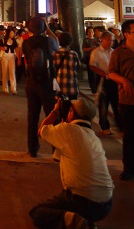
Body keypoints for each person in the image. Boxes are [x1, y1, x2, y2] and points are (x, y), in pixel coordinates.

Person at [29, 97, 114, 229]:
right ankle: (86, 222)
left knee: (38, 212)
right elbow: (59, 157)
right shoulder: (94, 138)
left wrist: (55, 112)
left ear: (71, 113)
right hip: (106, 204)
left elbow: (41, 131)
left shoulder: (68, 130)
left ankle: (77, 222)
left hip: (83, 200)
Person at [22, 16, 59, 158]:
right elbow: (57, 43)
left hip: (31, 82)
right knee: (52, 115)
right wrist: (48, 29)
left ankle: (32, 149)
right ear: (44, 28)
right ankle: (55, 150)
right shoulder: (49, 41)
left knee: (32, 116)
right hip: (46, 82)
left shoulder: (26, 43)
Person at [108, 19, 134, 180]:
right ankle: (129, 168)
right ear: (126, 34)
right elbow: (111, 72)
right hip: (128, 99)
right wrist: (124, 80)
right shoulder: (118, 53)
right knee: (130, 135)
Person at [90, 30, 122, 135]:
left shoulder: (113, 52)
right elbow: (92, 65)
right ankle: (105, 127)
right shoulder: (96, 52)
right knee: (103, 105)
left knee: (117, 104)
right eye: (109, 40)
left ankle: (120, 126)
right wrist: (103, 73)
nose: (111, 43)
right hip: (103, 80)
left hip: (114, 80)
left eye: (112, 41)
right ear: (102, 40)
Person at [54, 31, 80, 100]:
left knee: (59, 107)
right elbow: (77, 68)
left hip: (59, 86)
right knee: (72, 108)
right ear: (70, 42)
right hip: (72, 86)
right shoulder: (73, 54)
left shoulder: (55, 54)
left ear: (59, 41)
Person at [0, 26, 18, 94]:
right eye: (12, 33)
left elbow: (16, 48)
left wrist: (18, 57)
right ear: (8, 33)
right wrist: (2, 48)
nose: (13, 34)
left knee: (12, 72)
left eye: (13, 33)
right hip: (5, 56)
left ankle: (13, 89)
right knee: (4, 72)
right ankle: (5, 88)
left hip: (12, 56)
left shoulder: (14, 41)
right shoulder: (3, 40)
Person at [82, 26, 99, 94]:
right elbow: (83, 49)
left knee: (96, 73)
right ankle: (93, 88)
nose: (91, 33)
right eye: (89, 32)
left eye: (92, 31)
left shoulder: (96, 39)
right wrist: (91, 48)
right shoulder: (86, 40)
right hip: (89, 57)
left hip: (96, 57)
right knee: (91, 73)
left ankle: (97, 86)